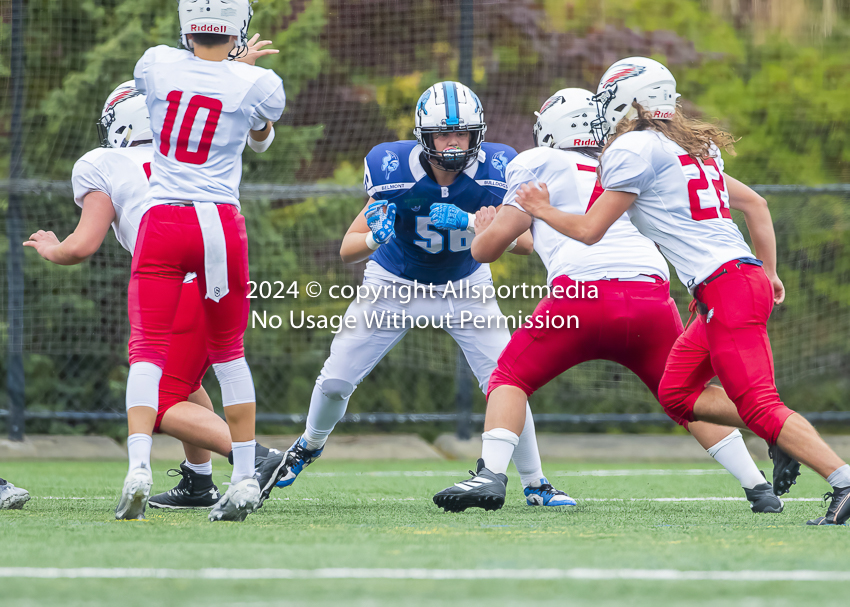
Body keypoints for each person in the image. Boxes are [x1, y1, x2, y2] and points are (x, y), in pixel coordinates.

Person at [513, 57, 849, 526]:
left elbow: (589, 230)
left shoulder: (635, 148)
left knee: (759, 402)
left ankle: (842, 479)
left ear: (627, 100)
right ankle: (781, 435)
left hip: (727, 287)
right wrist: (768, 273)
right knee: (676, 392)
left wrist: (541, 210)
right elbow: (758, 205)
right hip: (727, 285)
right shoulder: (693, 145)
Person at [434, 89, 783, 513]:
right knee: (687, 395)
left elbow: (486, 251)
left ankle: (490, 474)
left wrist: (480, 225)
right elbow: (742, 203)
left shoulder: (541, 163)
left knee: (508, 377)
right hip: (650, 299)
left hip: (578, 298)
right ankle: (758, 485)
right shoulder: (633, 160)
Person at [276, 81, 574, 507]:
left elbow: (525, 244)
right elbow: (348, 249)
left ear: (478, 134)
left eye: (462, 134)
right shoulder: (392, 170)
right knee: (337, 379)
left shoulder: (498, 169)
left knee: (506, 383)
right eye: (443, 134)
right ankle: (308, 443)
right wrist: (374, 238)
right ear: (424, 135)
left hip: (466, 285)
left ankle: (536, 483)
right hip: (394, 283)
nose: (454, 143)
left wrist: (472, 222)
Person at [23, 81, 286, 513]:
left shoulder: (104, 162)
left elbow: (82, 245)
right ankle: (199, 483)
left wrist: (52, 247)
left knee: (158, 401)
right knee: (187, 384)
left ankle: (255, 457)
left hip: (174, 284)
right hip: (224, 271)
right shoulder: (190, 155)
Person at [116, 0, 286, 522]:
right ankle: (242, 479)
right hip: (218, 223)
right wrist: (242, 69)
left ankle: (139, 467)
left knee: (147, 349)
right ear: (238, 28)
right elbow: (259, 138)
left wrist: (229, 69)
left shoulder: (155, 64)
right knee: (229, 352)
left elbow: (184, 88)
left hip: (163, 219)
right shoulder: (258, 84)